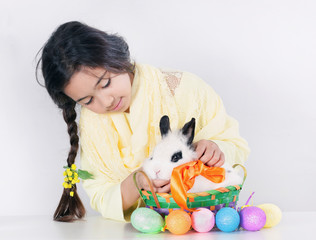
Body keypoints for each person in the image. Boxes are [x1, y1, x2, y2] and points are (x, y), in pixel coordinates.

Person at [36, 21, 250, 223]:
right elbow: (100, 194)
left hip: (204, 218)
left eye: (106, 83)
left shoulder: (186, 90)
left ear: (115, 56)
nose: (107, 101)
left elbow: (235, 144)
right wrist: (136, 183)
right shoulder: (93, 127)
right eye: (88, 100)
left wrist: (215, 150)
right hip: (145, 230)